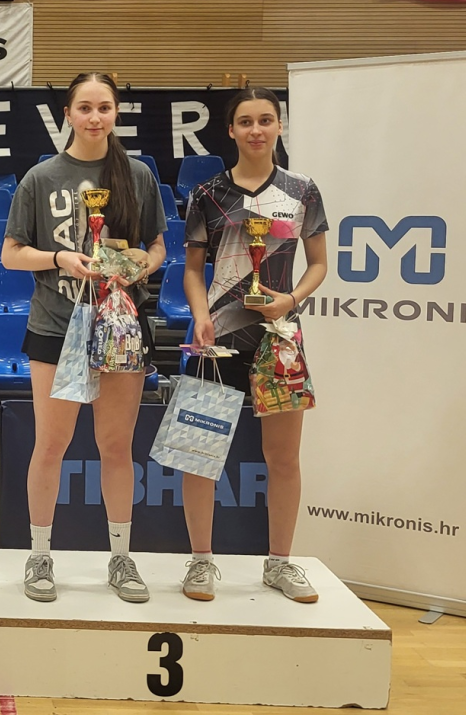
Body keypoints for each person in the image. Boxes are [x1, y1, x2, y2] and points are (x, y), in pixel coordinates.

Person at [3, 72, 168, 602]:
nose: (95, 117)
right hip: (56, 325)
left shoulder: (137, 174)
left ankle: (121, 559)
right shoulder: (40, 177)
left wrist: (143, 262)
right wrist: (60, 259)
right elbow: (11, 254)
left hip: (121, 325)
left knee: (116, 446)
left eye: (105, 108)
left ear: (116, 113)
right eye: (85, 108)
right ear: (68, 115)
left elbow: (159, 246)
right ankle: (39, 557)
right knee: (51, 444)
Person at [179, 87, 329, 603]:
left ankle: (280, 564)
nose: (257, 129)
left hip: (279, 341)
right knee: (199, 455)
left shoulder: (303, 191)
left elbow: (319, 265)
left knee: (283, 459)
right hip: (216, 339)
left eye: (266, 120)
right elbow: (193, 271)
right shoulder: (208, 195)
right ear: (231, 130)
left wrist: (290, 300)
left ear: (280, 126)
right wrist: (200, 316)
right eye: (246, 121)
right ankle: (200, 563)